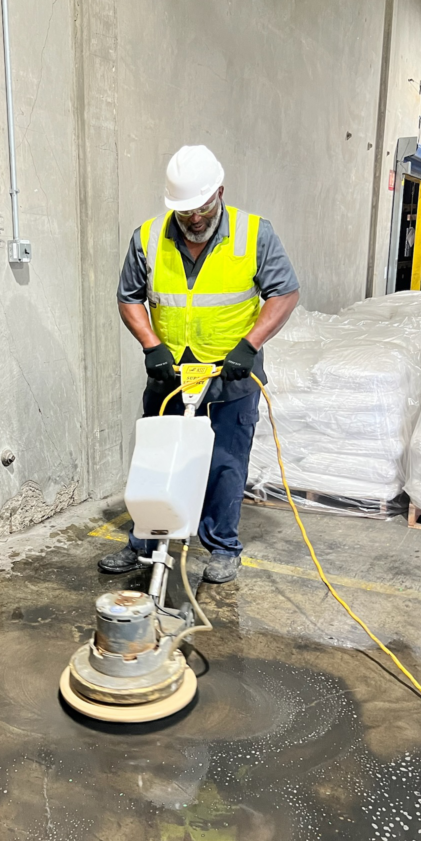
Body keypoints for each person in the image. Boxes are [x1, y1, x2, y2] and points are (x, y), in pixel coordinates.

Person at [98, 145, 299, 584]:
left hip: (231, 374)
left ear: (219, 193)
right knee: (158, 458)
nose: (194, 218)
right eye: (185, 210)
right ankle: (145, 543)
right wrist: (152, 345)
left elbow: (284, 294)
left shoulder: (254, 234)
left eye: (202, 207)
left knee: (225, 462)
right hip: (170, 375)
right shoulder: (148, 237)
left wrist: (249, 346)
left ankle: (222, 546)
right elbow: (128, 296)